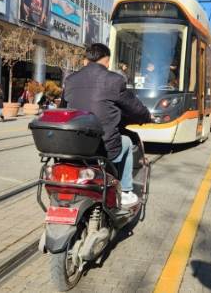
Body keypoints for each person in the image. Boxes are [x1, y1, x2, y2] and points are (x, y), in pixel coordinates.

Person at [64, 43, 151, 206]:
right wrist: (146, 116)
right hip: (101, 147)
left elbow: (64, 107)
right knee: (125, 141)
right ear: (107, 60)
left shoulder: (70, 79)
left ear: (86, 60)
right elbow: (134, 107)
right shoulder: (114, 80)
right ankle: (125, 191)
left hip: (74, 144)